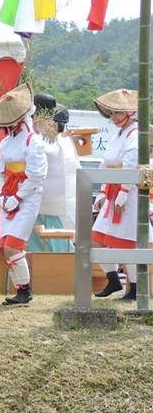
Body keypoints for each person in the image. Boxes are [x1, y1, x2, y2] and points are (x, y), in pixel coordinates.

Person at [0, 83, 48, 305]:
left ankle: (25, 290)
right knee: (4, 247)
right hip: (7, 198)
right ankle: (21, 290)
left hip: (27, 198)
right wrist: (1, 197)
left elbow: (36, 176)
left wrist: (18, 197)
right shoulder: (5, 142)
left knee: (13, 245)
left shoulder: (33, 141)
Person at [91, 89, 140, 301]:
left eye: (118, 113)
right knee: (97, 237)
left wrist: (122, 194)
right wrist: (102, 192)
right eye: (111, 113)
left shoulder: (135, 134)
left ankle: (135, 288)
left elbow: (131, 166)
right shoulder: (118, 135)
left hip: (128, 194)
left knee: (125, 242)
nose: (113, 117)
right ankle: (113, 279)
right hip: (112, 191)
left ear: (130, 112)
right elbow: (105, 164)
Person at [29, 95, 79, 251]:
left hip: (52, 204)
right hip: (44, 203)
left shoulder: (58, 141)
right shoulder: (59, 140)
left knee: (55, 246)